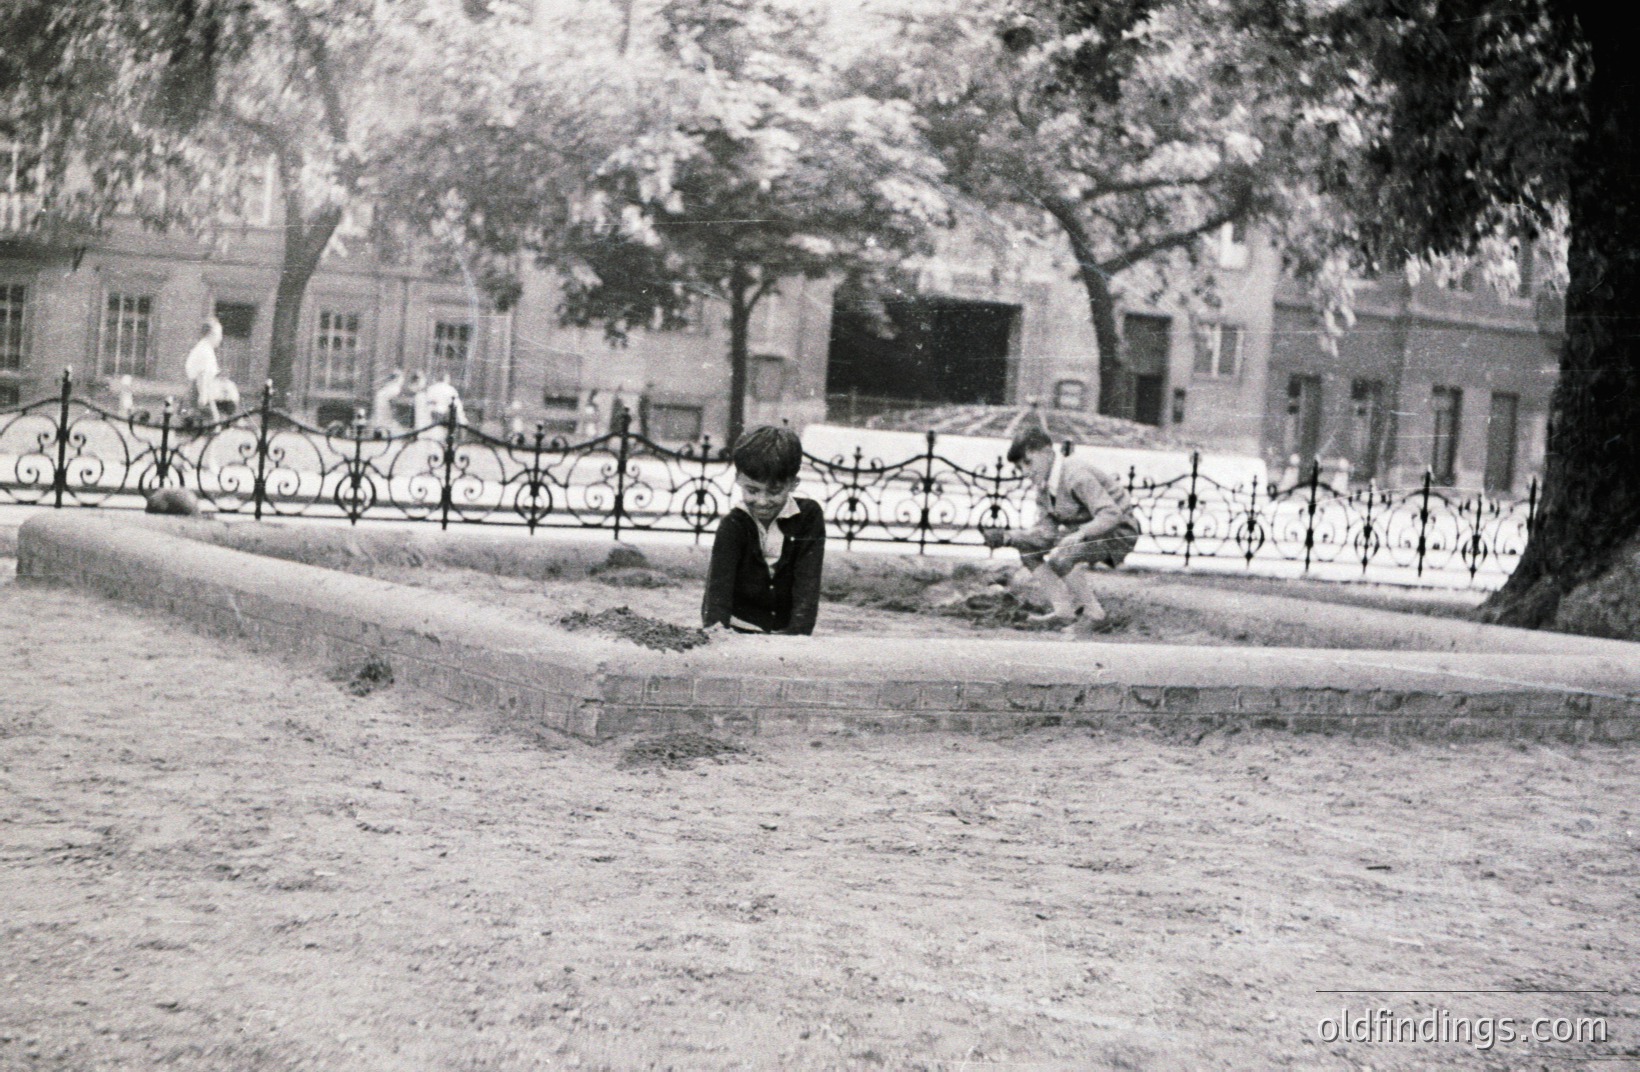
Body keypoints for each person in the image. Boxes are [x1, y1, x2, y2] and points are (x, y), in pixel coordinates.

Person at [983, 424, 1140, 633]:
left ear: (1047, 453)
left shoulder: (1076, 474)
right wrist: (1008, 538)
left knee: (1062, 556)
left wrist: (1080, 534)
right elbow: (1045, 536)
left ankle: (1096, 615)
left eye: (1029, 462)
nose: (1026, 472)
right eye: (1020, 468)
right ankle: (1063, 611)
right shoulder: (1044, 489)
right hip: (1088, 535)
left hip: (1118, 533)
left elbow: (1111, 514)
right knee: (1029, 551)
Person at [702, 425, 826, 635]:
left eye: (774, 491)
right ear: (738, 480)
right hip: (737, 628)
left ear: (793, 483)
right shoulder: (733, 525)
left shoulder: (808, 517)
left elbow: (808, 581)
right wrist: (716, 631)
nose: (762, 501)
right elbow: (718, 587)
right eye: (752, 490)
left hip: (786, 632)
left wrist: (799, 634)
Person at [182, 318, 223, 426]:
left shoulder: (204, 348)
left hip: (198, 390)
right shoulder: (205, 350)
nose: (220, 338)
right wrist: (203, 395)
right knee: (212, 424)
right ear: (211, 334)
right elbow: (202, 375)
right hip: (199, 390)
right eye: (219, 334)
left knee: (200, 425)